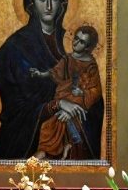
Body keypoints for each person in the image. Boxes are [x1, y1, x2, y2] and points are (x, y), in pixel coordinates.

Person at [0, 0, 87, 159]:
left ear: (63, 3)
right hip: (25, 139)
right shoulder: (14, 48)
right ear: (31, 4)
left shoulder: (72, 41)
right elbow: (14, 106)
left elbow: (92, 90)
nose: (49, 6)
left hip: (71, 133)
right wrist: (56, 105)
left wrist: (78, 101)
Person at [30, 25, 104, 160]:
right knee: (48, 125)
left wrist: (81, 93)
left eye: (82, 42)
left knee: (58, 121)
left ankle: (63, 146)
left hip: (79, 101)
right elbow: (54, 72)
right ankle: (59, 147)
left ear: (88, 47)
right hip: (64, 97)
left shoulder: (91, 66)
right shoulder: (67, 59)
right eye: (76, 38)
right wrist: (40, 74)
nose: (76, 42)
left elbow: (95, 91)